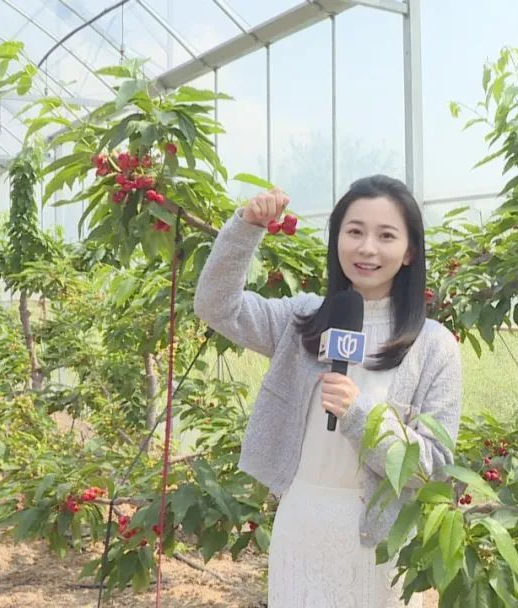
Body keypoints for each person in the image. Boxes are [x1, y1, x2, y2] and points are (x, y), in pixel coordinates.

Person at [194, 175, 463, 607]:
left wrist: (361, 417)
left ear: (410, 251)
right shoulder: (302, 319)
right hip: (302, 524)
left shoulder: (434, 346)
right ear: (337, 239)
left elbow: (433, 469)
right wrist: (245, 228)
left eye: (386, 236)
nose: (367, 248)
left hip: (376, 539)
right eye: (354, 232)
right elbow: (216, 306)